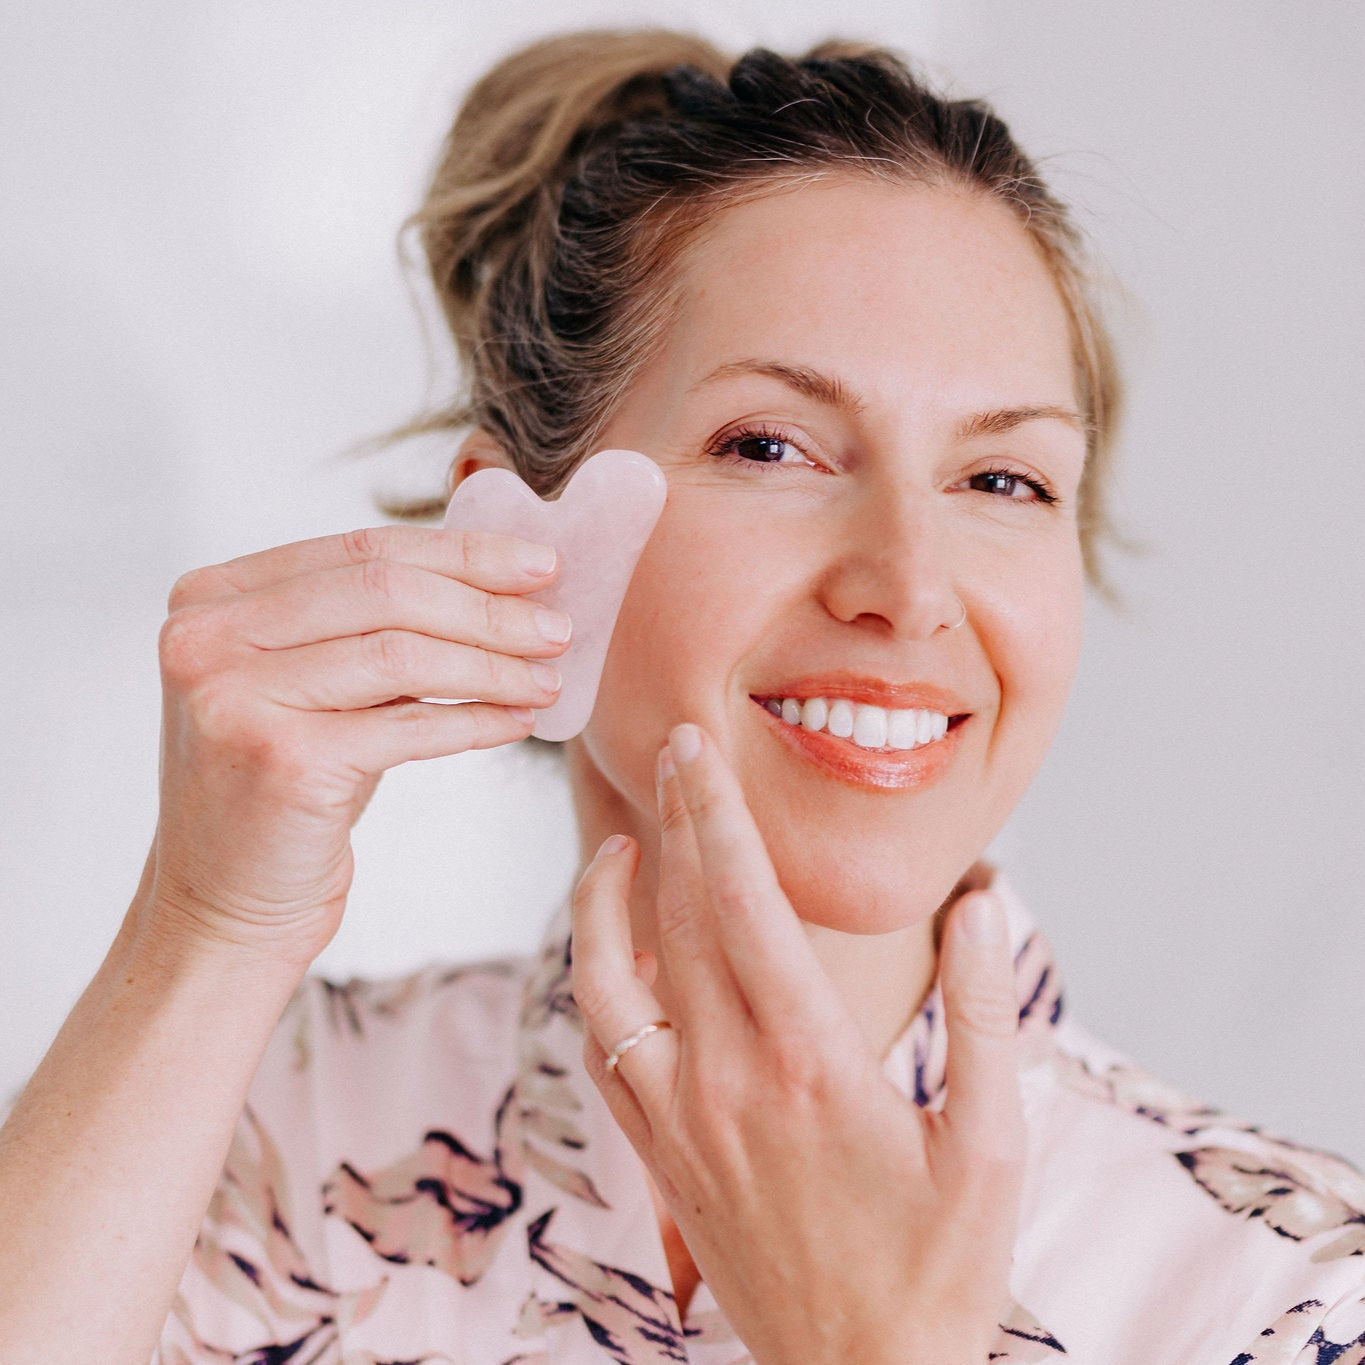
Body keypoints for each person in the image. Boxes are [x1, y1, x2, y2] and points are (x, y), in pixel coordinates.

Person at [1, 25, 1362, 1365]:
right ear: (524, 540)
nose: (907, 584)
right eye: (770, 445)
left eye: (1000, 480)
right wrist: (208, 925)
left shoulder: (1285, 1285)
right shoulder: (264, 1120)